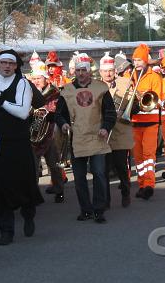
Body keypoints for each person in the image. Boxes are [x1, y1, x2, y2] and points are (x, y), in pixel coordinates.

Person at [0, 50, 43, 246]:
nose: (7, 66)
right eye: (3, 63)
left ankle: (28, 214)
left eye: (11, 63)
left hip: (19, 141)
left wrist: (0, 102)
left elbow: (23, 112)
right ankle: (6, 230)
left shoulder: (22, 83)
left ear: (16, 66)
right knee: (1, 186)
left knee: (24, 182)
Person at [59, 53, 116, 223]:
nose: (81, 73)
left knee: (99, 173)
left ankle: (99, 209)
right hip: (77, 139)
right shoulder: (67, 90)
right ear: (74, 72)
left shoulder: (101, 88)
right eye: (78, 71)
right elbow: (58, 114)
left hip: (97, 137)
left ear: (89, 71)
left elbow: (110, 112)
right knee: (79, 177)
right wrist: (63, 123)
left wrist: (106, 127)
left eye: (84, 70)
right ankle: (85, 210)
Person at [28, 61, 67, 204]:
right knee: (33, 167)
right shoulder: (29, 92)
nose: (37, 81)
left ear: (45, 78)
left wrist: (50, 114)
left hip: (50, 132)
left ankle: (59, 190)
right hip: (34, 134)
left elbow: (58, 110)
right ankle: (34, 193)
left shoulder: (53, 92)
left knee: (54, 164)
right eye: (34, 78)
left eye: (39, 78)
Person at [129, 44, 164, 199]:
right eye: (135, 60)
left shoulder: (154, 77)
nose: (137, 63)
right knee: (138, 156)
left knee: (149, 154)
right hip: (134, 120)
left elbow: (157, 98)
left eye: (139, 60)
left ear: (145, 61)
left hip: (151, 121)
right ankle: (142, 183)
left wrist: (141, 96)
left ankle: (149, 184)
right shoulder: (129, 76)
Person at [99, 52, 133, 208]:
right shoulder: (94, 86)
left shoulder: (126, 83)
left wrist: (125, 111)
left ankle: (125, 192)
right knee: (103, 169)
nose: (108, 73)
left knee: (121, 167)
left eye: (111, 70)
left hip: (120, 132)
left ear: (115, 70)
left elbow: (136, 105)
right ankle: (105, 200)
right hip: (102, 134)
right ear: (100, 72)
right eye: (105, 71)